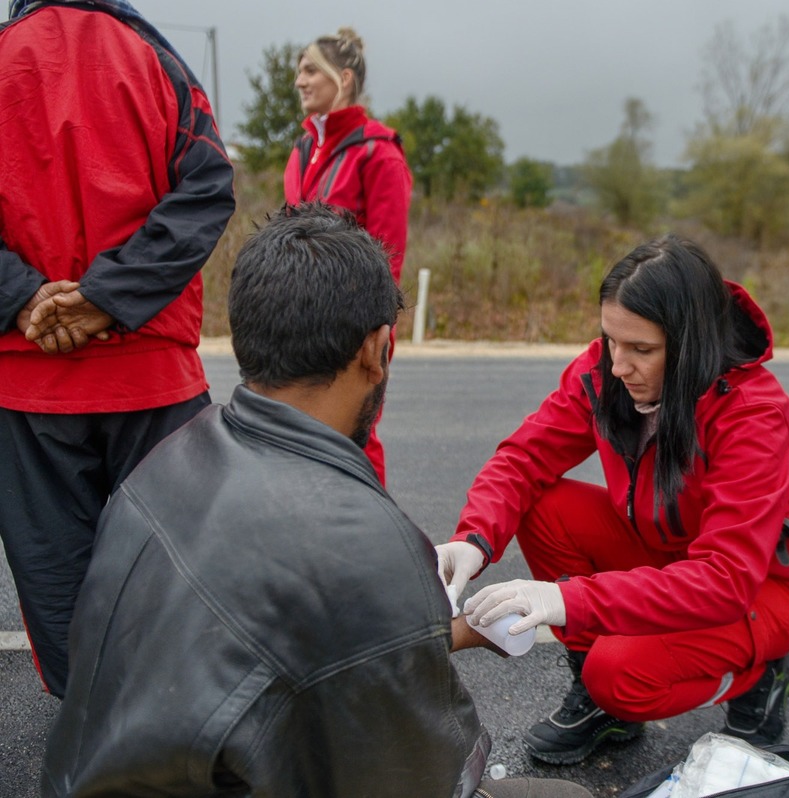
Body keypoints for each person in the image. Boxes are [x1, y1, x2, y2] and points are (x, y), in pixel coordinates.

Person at [42, 204, 591, 798]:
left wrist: (429, 626)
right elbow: (420, 775)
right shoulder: (358, 539)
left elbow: (264, 643)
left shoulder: (167, 461)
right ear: (377, 350)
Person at [436, 235, 789, 765]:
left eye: (642, 350)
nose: (619, 365)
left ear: (691, 343)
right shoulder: (605, 368)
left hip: (762, 586)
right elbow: (524, 458)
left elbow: (725, 579)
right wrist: (473, 539)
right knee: (543, 507)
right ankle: (605, 709)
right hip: (676, 552)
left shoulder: (754, 415)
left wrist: (568, 600)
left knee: (620, 673)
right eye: (610, 340)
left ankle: (760, 676)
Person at [0, 0, 235, 697]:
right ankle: (174, 735)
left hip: (28, 383)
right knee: (175, 579)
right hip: (153, 380)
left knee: (61, 589)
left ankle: (94, 740)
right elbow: (209, 186)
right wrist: (109, 298)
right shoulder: (152, 54)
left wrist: (25, 297)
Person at [284, 25, 413, 487]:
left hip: (356, 328)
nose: (299, 81)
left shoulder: (378, 154)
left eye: (309, 70)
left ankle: (370, 545)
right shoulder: (302, 150)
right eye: (298, 70)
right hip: (299, 322)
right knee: (299, 440)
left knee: (353, 440)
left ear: (342, 78)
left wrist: (375, 336)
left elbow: (388, 259)